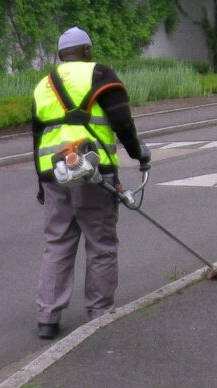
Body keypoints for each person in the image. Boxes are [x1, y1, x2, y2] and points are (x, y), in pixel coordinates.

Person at [31, 27, 150, 340]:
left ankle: (47, 317)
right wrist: (139, 155)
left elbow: (36, 137)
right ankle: (99, 315)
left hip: (54, 175)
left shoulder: (44, 85)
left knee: (57, 244)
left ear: (60, 56)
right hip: (93, 173)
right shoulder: (100, 74)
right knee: (100, 244)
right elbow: (123, 122)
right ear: (86, 50)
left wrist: (41, 183)